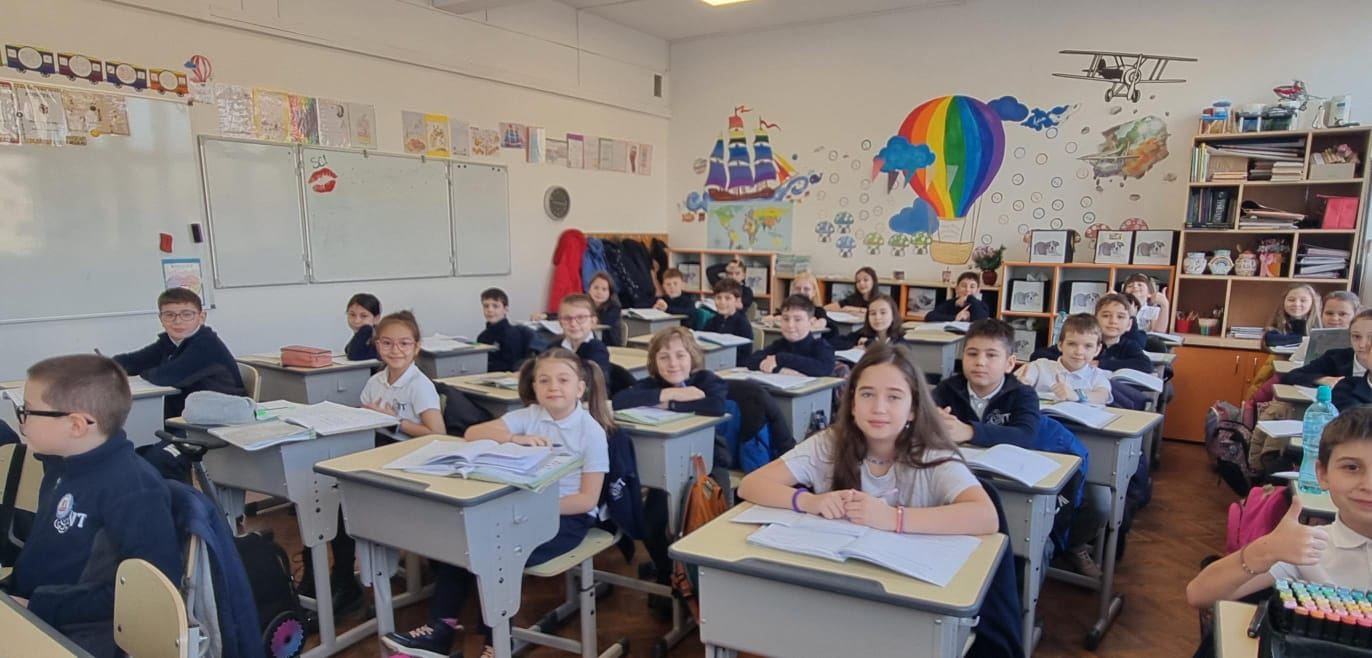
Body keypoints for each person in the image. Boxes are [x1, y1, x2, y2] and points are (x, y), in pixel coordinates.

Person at [383, 348, 613, 658]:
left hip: (567, 518)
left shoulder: (591, 431)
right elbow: (473, 433)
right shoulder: (531, 415)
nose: (553, 387)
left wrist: (530, 511)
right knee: (464, 540)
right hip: (518, 511)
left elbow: (587, 499)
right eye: (544, 380)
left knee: (498, 552)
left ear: (580, 388)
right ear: (534, 386)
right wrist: (514, 438)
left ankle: (498, 640)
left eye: (563, 380)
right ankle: (440, 629)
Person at [4, 355, 179, 657]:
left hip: (80, 635)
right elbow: (44, 558)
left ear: (76, 425)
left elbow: (147, 597)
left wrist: (37, 604)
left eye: (27, 411)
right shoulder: (61, 468)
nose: (21, 421)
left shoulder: (135, 490)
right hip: (32, 613)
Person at [738, 343, 997, 536]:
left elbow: (986, 516)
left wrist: (893, 518)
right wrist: (810, 501)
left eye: (893, 397)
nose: (878, 408)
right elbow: (750, 485)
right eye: (867, 394)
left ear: (913, 408)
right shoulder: (829, 443)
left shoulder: (932, 453)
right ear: (852, 404)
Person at [1187, 407, 1372, 605]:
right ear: (1322, 474)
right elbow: (1198, 594)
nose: (1368, 485)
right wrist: (1267, 550)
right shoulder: (1308, 548)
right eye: (1351, 467)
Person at [112, 287, 244, 418]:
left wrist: (143, 372)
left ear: (201, 317)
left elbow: (164, 377)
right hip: (190, 415)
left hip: (221, 417)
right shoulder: (170, 342)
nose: (178, 321)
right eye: (169, 315)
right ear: (161, 319)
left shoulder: (207, 344)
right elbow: (129, 362)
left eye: (186, 314)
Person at [1017, 314, 1113, 405]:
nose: (1079, 352)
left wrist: (1077, 395)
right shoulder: (1039, 366)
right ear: (1060, 345)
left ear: (1097, 349)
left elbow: (1103, 396)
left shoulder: (1098, 376)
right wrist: (1018, 385)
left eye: (1088, 346)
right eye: (1072, 344)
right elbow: (1020, 382)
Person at [746, 295, 835, 377]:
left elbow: (823, 368)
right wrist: (778, 369)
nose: (790, 325)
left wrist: (781, 359)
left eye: (797, 320)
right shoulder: (779, 344)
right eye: (786, 319)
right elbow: (751, 360)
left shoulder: (821, 346)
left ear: (811, 322)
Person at [1263, 283, 1322, 349]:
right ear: (1283, 302)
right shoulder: (1276, 327)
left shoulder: (1319, 328)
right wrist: (1307, 339)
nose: (1296, 304)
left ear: (1312, 304)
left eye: (1303, 300)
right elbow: (1271, 340)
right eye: (1291, 300)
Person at [926, 272, 991, 322]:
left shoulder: (982, 305)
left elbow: (982, 320)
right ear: (957, 289)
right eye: (964, 286)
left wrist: (970, 299)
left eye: (972, 287)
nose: (967, 289)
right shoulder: (951, 303)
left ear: (978, 290)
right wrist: (955, 317)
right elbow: (929, 316)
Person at [343, 293, 381, 361]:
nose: (356, 321)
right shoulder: (363, 336)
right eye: (352, 315)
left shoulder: (380, 339)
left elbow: (354, 355)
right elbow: (348, 349)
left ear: (376, 318)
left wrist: (366, 329)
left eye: (364, 316)